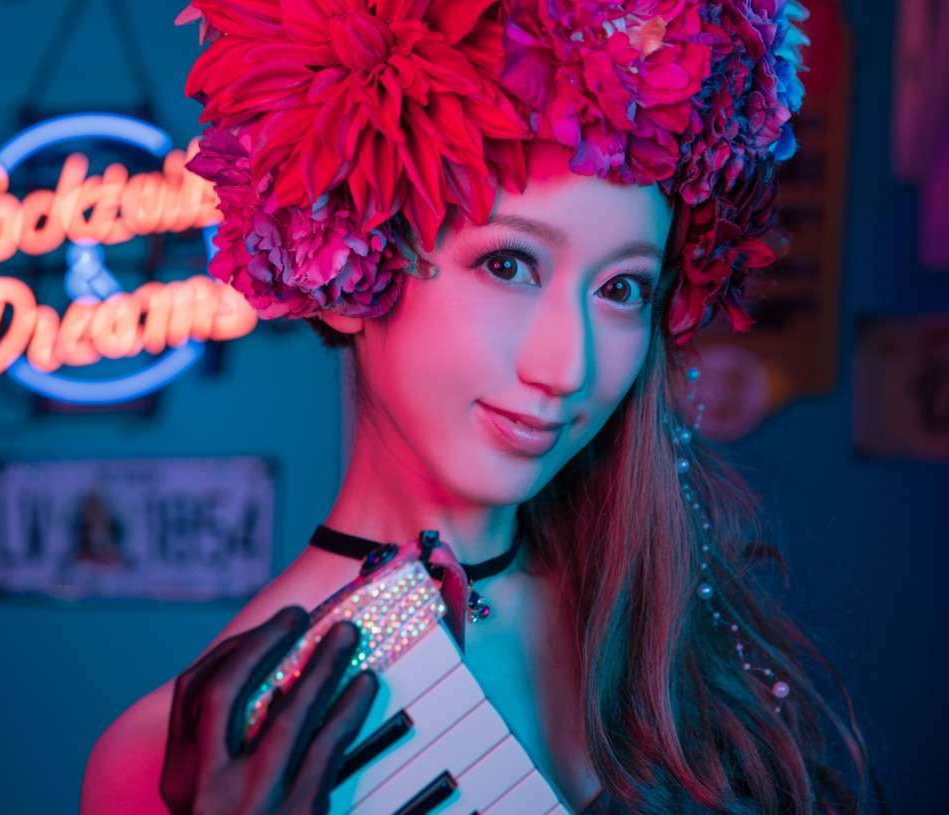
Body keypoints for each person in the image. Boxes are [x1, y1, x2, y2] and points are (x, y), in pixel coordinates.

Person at [82, 1, 883, 812]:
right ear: (339, 258)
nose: (565, 365)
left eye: (620, 289)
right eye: (507, 265)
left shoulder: (668, 626)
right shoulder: (165, 755)